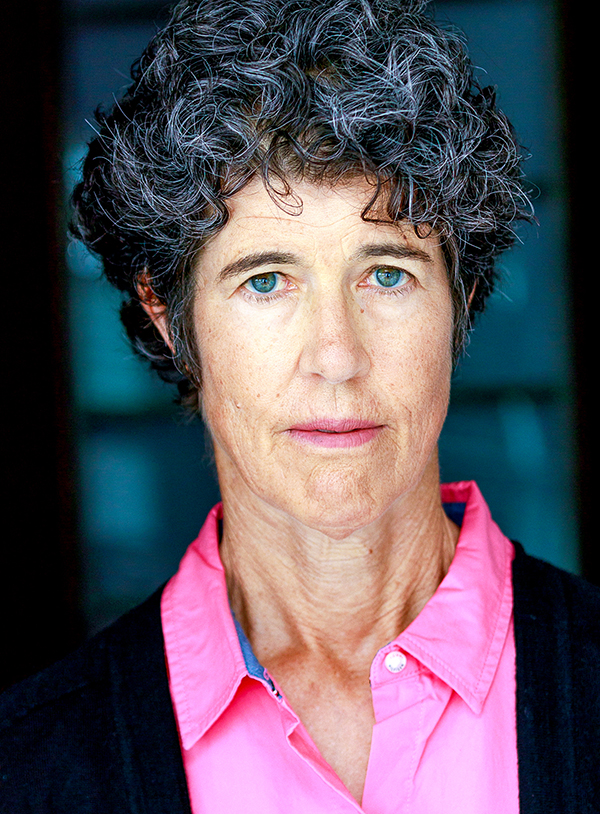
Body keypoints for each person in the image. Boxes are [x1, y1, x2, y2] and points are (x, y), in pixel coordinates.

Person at [1, 0, 599, 811]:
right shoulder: (28, 768)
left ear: (460, 301)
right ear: (168, 314)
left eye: (387, 274)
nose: (336, 357)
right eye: (266, 281)